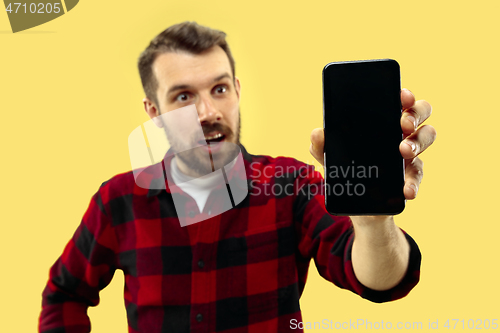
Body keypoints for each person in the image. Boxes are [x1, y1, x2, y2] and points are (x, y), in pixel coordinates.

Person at [39, 21, 436, 332]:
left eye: (219, 88)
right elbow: (64, 294)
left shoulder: (291, 184)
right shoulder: (118, 201)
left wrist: (371, 219)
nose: (208, 112)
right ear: (153, 112)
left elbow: (378, 281)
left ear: (238, 91)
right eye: (183, 96)